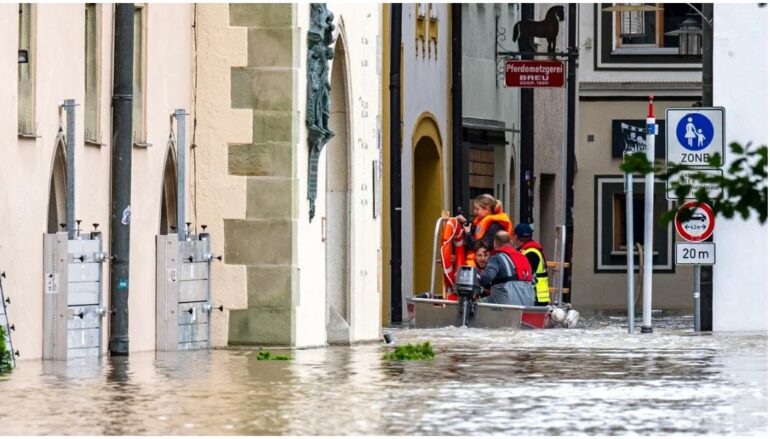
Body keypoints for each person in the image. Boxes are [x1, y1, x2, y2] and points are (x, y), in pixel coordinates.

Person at [478, 231, 535, 306]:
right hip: (527, 307)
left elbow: (486, 277)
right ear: (510, 242)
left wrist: (475, 277)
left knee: (476, 304)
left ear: (495, 243)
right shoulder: (524, 258)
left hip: (506, 308)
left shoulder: (496, 258)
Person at [456, 194, 512, 267]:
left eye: (477, 209)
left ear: (486, 209)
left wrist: (468, 233)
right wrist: (465, 223)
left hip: (490, 265)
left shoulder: (495, 226)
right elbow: (475, 231)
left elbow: (481, 247)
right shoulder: (483, 222)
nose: (474, 212)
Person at [513, 223, 550, 306]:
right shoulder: (532, 250)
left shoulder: (530, 252)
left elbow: (524, 275)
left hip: (535, 296)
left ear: (515, 237)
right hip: (538, 296)